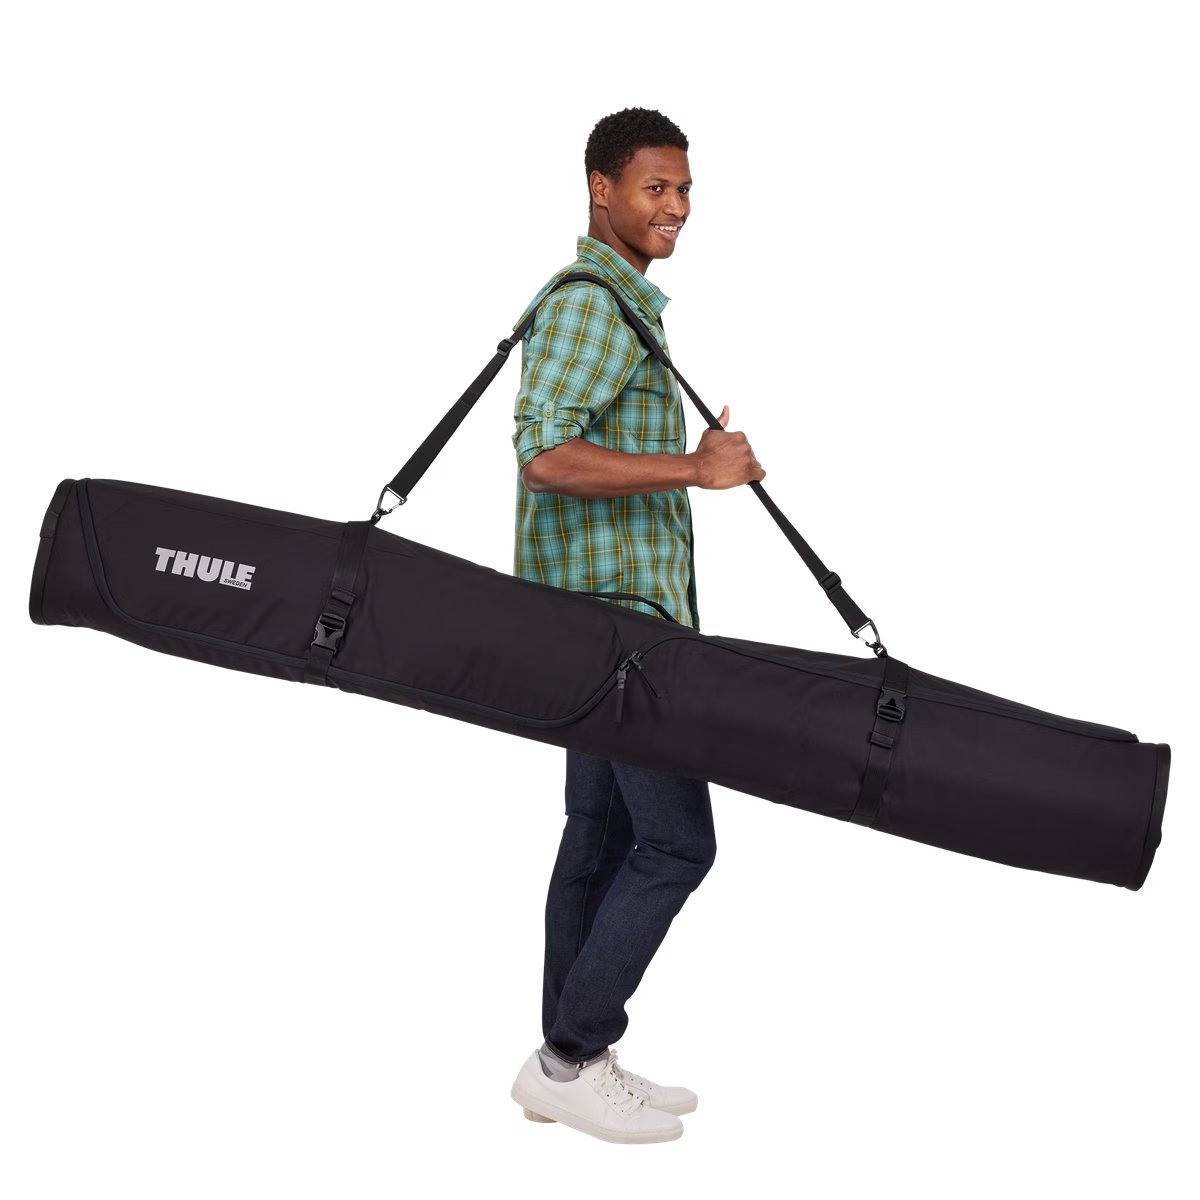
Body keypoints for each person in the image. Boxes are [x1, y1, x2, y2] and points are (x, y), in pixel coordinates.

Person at [506, 107, 765, 1144]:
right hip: (615, 631)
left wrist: (686, 465)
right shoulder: (590, 306)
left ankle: (567, 1063)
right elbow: (544, 456)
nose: (677, 207)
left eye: (686, 189)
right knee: (676, 843)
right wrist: (694, 468)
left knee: (602, 834)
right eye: (656, 187)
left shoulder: (624, 308)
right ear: (600, 188)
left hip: (603, 626)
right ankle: (570, 1056)